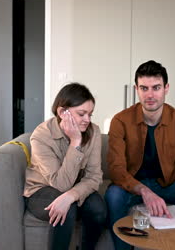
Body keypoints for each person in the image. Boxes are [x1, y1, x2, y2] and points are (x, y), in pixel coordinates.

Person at [105, 60, 175, 250]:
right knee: (113, 195)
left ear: (166, 88)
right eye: (144, 88)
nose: (150, 95)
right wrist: (145, 191)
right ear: (136, 89)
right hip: (131, 186)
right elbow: (116, 170)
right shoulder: (120, 121)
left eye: (156, 88)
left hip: (168, 184)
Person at [23, 83, 106, 250]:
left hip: (74, 187)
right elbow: (60, 184)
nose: (87, 120)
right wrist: (75, 142)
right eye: (82, 114)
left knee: (99, 209)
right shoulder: (41, 136)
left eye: (90, 114)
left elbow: (94, 176)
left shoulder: (94, 131)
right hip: (41, 190)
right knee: (67, 210)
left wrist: (71, 195)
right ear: (62, 112)